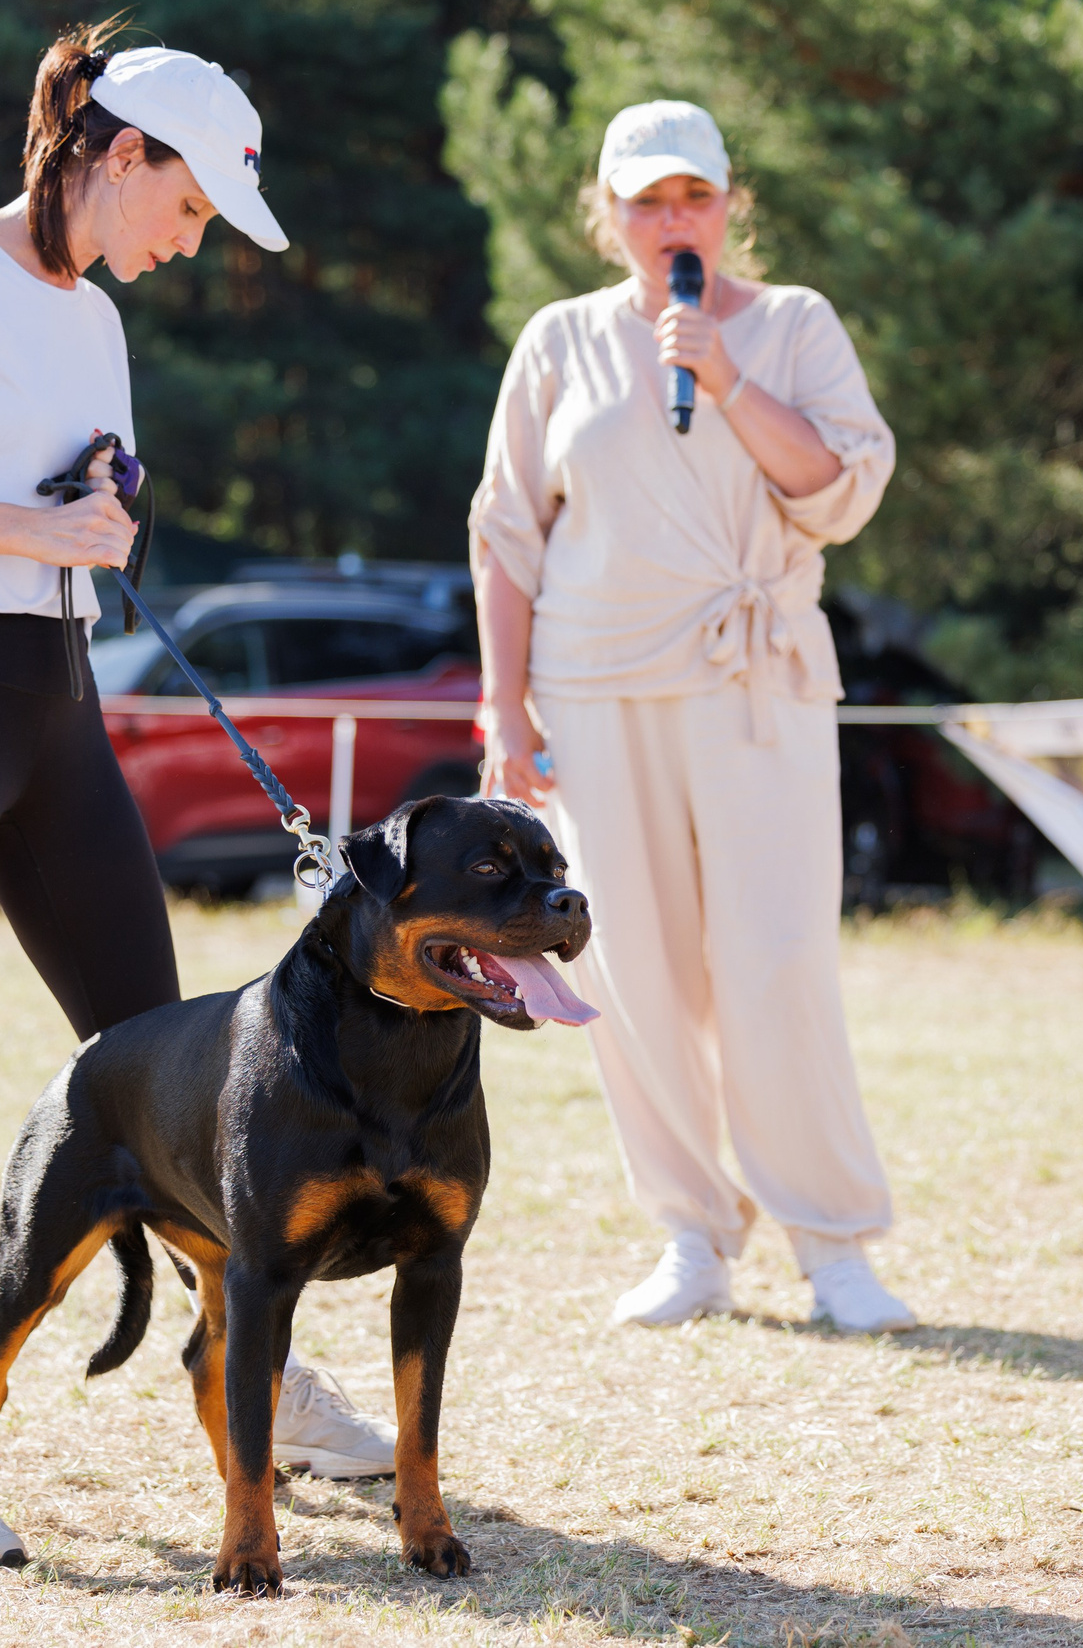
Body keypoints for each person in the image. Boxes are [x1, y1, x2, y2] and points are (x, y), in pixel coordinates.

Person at [0, 23, 394, 1565]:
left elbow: (67, 513)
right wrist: (21, 526)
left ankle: (250, 1365)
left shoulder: (96, 320)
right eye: (188, 211)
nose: (189, 248)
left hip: (58, 713)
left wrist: (97, 511)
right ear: (122, 156)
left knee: (180, 1073)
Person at [466, 100, 914, 1334]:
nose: (673, 220)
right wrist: (504, 708)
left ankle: (832, 1244)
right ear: (606, 214)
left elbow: (839, 491)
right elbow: (506, 531)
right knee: (633, 970)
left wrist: (724, 375)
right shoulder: (557, 340)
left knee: (774, 962)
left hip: (753, 678)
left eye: (693, 198)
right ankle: (690, 1234)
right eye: (646, 200)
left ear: (730, 206)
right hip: (594, 689)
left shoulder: (794, 325)